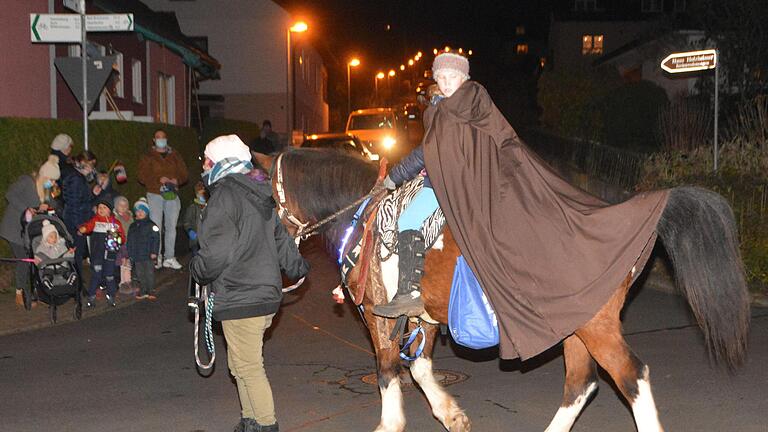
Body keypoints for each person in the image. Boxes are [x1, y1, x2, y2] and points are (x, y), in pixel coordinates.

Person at [191, 134, 309, 432]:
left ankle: (266, 424)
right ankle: (250, 421)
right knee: (239, 366)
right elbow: (280, 238)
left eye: (207, 161)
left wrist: (198, 269)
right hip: (264, 294)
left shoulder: (224, 198)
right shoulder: (259, 194)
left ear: (220, 164)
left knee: (249, 368)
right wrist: (297, 267)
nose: (203, 167)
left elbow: (217, 252)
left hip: (241, 294)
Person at [372, 59, 458, 317]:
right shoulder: (463, 112)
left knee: (407, 220)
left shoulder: (441, 112)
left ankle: (408, 293)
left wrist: (392, 178)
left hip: (441, 186)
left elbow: (425, 152)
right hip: (463, 184)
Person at [1, 156, 61, 307]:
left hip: (27, 230)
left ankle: (35, 291)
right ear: (45, 175)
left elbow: (51, 204)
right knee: (24, 260)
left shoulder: (46, 188)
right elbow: (10, 195)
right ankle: (21, 293)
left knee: (32, 259)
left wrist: (50, 202)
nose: (53, 183)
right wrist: (26, 208)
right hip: (14, 227)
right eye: (52, 179)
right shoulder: (27, 181)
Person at [137, 129, 188, 270]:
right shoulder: (148, 156)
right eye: (158, 137)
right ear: (154, 140)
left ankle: (169, 257)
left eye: (163, 137)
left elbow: (184, 173)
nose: (161, 140)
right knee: (156, 227)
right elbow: (142, 176)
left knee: (171, 227)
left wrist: (176, 180)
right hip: (155, 194)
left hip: (172, 194)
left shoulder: (175, 155)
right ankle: (156, 256)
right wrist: (158, 180)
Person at [78, 199, 125, 307]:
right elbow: (88, 226)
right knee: (96, 275)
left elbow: (122, 238)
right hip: (97, 254)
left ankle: (111, 296)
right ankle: (91, 296)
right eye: (100, 207)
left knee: (109, 275)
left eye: (104, 208)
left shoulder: (115, 223)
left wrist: (118, 238)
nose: (101, 210)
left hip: (110, 254)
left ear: (109, 210)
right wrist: (83, 229)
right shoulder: (95, 221)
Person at [63, 151, 98, 271]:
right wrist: (79, 226)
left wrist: (93, 194)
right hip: (76, 222)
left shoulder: (79, 178)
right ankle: (77, 283)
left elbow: (82, 199)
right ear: (83, 163)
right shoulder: (76, 179)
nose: (93, 169)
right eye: (91, 165)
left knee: (77, 253)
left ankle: (78, 281)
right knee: (76, 254)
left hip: (79, 220)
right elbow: (74, 203)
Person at [128, 198, 159, 300]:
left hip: (148, 254)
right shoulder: (132, 226)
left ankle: (151, 290)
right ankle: (143, 290)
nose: (140, 213)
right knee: (140, 274)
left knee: (149, 273)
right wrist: (130, 253)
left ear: (147, 212)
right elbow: (130, 240)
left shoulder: (152, 226)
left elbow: (156, 239)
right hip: (137, 255)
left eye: (142, 211)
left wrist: (154, 252)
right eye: (138, 210)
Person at [34, 220, 75, 288]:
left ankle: (70, 278)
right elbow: (38, 256)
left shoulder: (60, 245)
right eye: (51, 237)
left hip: (61, 266)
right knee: (47, 274)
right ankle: (47, 282)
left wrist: (70, 253)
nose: (54, 239)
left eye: (55, 236)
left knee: (66, 272)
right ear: (45, 238)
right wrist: (37, 261)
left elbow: (65, 255)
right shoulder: (41, 248)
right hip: (49, 267)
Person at [113, 196, 134, 293]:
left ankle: (128, 281)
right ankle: (123, 282)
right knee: (123, 263)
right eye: (120, 205)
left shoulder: (130, 217)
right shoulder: (115, 218)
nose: (123, 207)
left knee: (128, 263)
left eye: (125, 205)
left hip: (129, 243)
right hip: (121, 244)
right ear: (116, 206)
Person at [182, 181, 207, 255]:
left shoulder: (210, 205)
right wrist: (189, 230)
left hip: (208, 239)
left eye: (203, 193)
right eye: (200, 193)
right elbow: (187, 221)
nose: (201, 195)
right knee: (197, 258)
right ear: (196, 194)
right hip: (196, 241)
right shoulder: (193, 207)